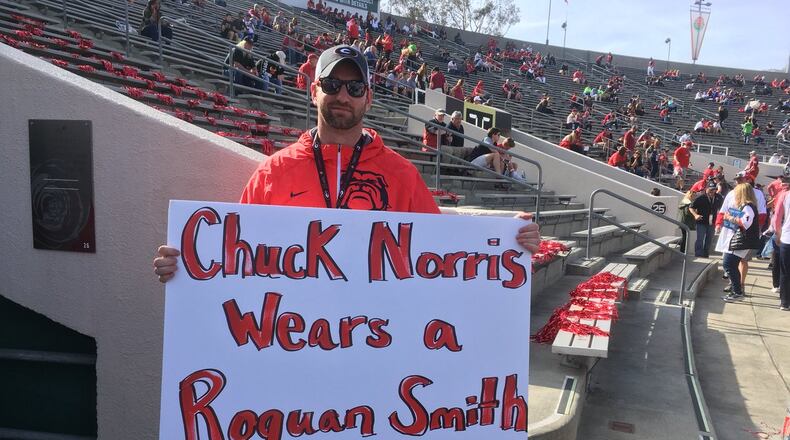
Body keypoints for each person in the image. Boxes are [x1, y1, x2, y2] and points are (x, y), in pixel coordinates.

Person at [153, 45, 542, 282]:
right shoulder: (273, 172)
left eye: (355, 87)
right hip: (286, 343)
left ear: (368, 98)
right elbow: (235, 256)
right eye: (332, 85)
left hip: (372, 347)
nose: (343, 95)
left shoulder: (402, 175)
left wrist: (506, 241)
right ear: (314, 91)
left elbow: (444, 250)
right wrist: (188, 266)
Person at [716, 183, 761, 302]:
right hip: (740, 241)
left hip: (742, 242)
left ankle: (737, 292)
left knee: (728, 264)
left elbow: (745, 223)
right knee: (730, 265)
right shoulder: (746, 206)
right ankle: (736, 290)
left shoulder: (748, 207)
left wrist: (729, 218)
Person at [689, 182, 723, 257]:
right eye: (710, 189)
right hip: (701, 222)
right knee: (700, 239)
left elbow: (722, 208)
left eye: (714, 189)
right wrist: (695, 215)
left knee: (709, 239)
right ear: (706, 189)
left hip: (712, 222)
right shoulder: (701, 197)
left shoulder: (718, 197)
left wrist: (719, 221)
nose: (712, 191)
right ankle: (698, 254)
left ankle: (705, 254)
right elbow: (691, 207)